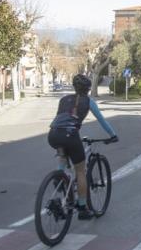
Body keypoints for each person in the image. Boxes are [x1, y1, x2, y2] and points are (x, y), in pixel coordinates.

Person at [48, 74, 118, 220]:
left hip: (53, 134)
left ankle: (59, 177)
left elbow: (61, 120)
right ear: (88, 89)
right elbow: (102, 121)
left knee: (63, 152)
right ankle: (82, 208)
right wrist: (113, 135)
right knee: (80, 171)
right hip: (70, 136)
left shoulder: (64, 99)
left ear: (74, 87)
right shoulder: (88, 101)